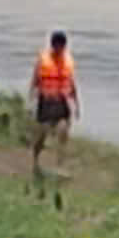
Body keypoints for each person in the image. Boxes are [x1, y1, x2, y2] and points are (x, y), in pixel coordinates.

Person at [29, 30, 79, 173]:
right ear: (52, 46)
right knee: (42, 134)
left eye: (62, 47)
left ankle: (60, 164)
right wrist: (31, 100)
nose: (59, 50)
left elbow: (72, 82)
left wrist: (76, 104)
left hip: (61, 100)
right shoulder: (43, 60)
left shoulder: (68, 60)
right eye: (57, 46)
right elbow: (35, 81)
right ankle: (36, 160)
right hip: (46, 101)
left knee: (63, 131)